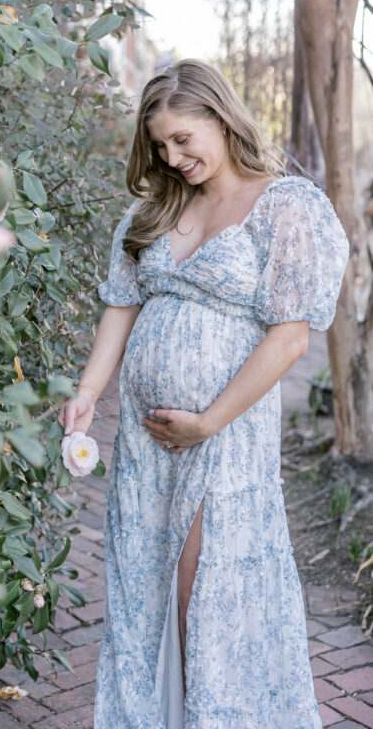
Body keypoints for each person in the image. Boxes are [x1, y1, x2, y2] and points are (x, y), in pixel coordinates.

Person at [58, 59, 350, 729]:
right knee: (144, 590)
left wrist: (207, 421)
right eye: (160, 145)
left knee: (203, 592)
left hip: (224, 435)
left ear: (220, 118)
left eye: (183, 139)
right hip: (147, 442)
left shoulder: (282, 204)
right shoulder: (155, 209)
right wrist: (89, 391)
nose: (172, 157)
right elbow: (121, 305)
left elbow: (289, 339)